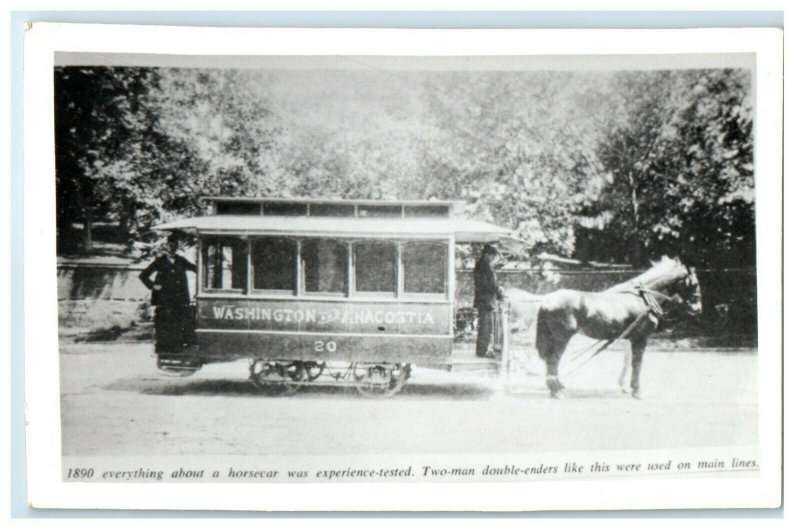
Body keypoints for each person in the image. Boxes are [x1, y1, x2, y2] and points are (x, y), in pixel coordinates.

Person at [139, 233, 197, 354]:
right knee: (164, 323)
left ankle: (177, 349)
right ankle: (163, 349)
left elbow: (195, 269)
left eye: (175, 245)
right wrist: (153, 286)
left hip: (179, 299)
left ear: (177, 246)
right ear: (166, 245)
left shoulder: (181, 260)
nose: (172, 247)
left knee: (178, 322)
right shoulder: (160, 261)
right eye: (170, 244)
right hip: (164, 299)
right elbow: (143, 275)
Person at [473, 243, 506, 358]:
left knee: (485, 327)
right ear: (487, 255)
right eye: (492, 256)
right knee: (486, 327)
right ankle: (482, 351)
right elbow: (490, 284)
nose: (493, 259)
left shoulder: (482, 265)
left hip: (485, 300)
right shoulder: (484, 266)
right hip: (486, 300)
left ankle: (482, 350)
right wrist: (499, 293)